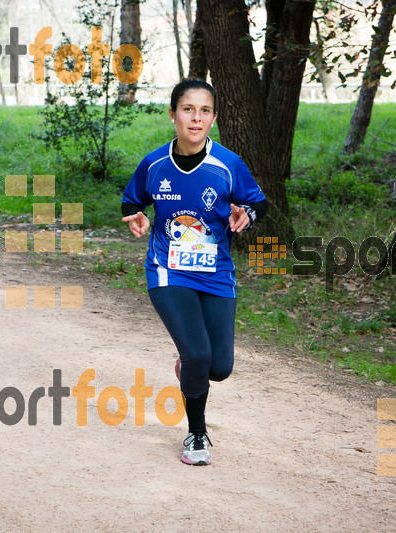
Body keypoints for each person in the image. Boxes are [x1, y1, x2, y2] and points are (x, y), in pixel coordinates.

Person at [121, 79, 268, 466]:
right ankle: (197, 435)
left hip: (216, 272)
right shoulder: (154, 164)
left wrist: (246, 214)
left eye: (204, 110)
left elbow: (257, 202)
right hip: (168, 271)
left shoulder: (228, 165)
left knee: (219, 368)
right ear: (173, 115)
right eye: (188, 109)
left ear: (214, 118)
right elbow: (132, 199)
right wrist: (134, 217)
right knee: (199, 354)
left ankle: (191, 364)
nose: (196, 117)